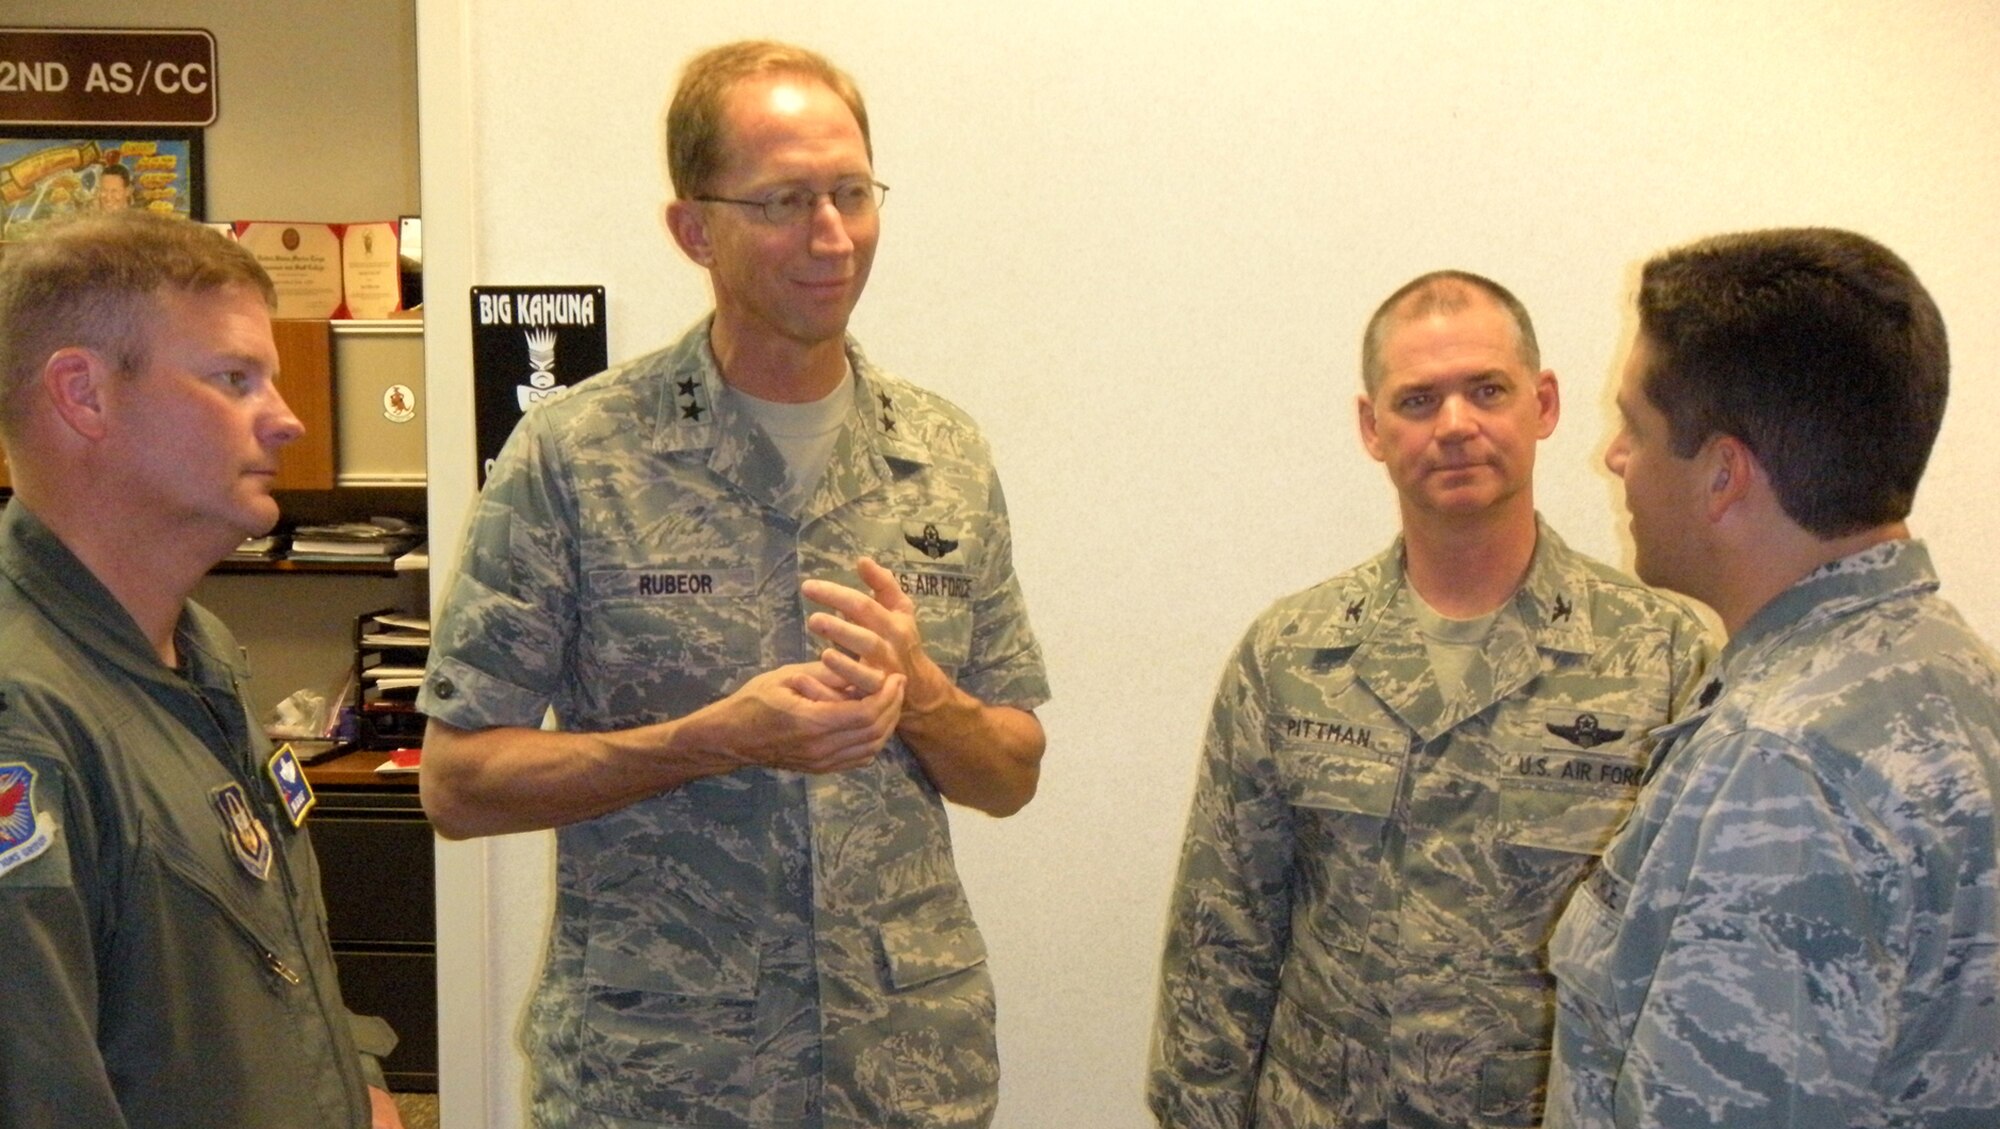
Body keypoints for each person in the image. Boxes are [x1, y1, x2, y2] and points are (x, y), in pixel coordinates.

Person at [417, 40, 1049, 1129]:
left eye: (851, 192)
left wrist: (925, 694)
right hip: (662, 1083)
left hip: (900, 1074)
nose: (831, 236)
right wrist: (713, 738)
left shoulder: (941, 453)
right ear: (692, 228)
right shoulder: (577, 456)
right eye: (783, 201)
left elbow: (1009, 776)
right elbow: (458, 785)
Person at [1149, 271, 1714, 1129]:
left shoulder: (1663, 655)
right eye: (1418, 400)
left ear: (1545, 403)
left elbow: (1685, 963)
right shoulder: (1291, 656)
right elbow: (1220, 942)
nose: (1455, 425)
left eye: (1486, 390)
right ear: (1373, 428)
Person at [1547, 228, 2000, 1127]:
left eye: (1634, 424)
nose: (1614, 456)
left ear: (1723, 474)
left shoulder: (1783, 769)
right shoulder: (1950, 677)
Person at [0, 211, 404, 1127]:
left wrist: (357, 1080)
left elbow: (262, 948)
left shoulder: (199, 647)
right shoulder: (25, 714)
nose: (289, 417)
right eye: (235, 379)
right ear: (84, 394)